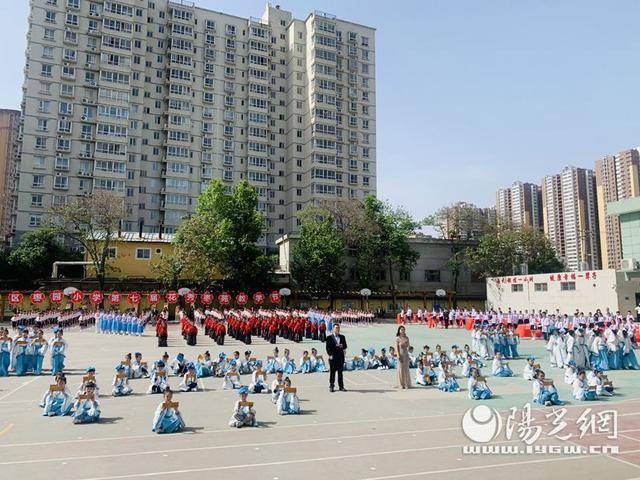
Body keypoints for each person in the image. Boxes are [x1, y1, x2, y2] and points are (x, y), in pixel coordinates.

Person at [325, 323, 347, 392]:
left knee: (340, 373)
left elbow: (345, 346)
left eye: (338, 328)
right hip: (333, 357)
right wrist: (330, 355)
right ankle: (331, 386)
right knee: (332, 372)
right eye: (336, 328)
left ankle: (341, 386)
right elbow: (327, 348)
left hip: (340, 357)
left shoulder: (342, 337)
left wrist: (342, 346)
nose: (337, 329)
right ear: (333, 329)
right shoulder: (329, 337)